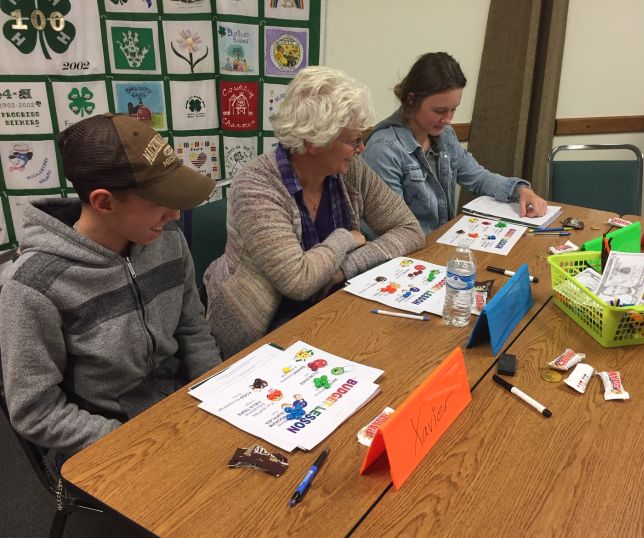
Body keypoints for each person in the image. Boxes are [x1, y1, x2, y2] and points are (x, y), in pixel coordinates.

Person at [0, 113, 222, 469]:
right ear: (104, 202)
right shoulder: (33, 287)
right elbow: (35, 411)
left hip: (177, 407)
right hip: (103, 437)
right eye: (160, 201)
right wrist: (132, 442)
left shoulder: (166, 240)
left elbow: (192, 326)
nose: (175, 215)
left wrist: (217, 390)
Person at [204, 66, 425, 358]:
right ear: (313, 142)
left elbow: (410, 229)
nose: (360, 149)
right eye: (352, 140)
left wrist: (343, 269)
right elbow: (298, 281)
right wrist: (344, 238)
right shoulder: (256, 185)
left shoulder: (350, 170)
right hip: (259, 329)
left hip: (329, 307)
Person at [364, 52, 548, 234]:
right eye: (440, 110)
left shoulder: (445, 135)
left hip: (439, 243)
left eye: (453, 110)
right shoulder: (383, 150)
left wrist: (521, 190)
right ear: (412, 100)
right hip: (407, 254)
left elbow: (478, 178)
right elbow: (395, 230)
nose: (448, 119)